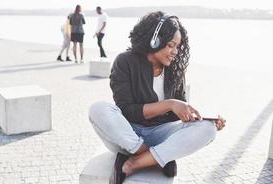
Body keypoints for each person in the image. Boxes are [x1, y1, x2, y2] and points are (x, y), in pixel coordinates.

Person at [88, 11, 226, 184]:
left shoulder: (175, 71)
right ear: (154, 40)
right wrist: (169, 104)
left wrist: (199, 118)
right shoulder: (125, 62)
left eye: (177, 46)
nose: (175, 51)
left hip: (160, 134)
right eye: (170, 45)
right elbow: (127, 111)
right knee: (98, 108)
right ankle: (153, 156)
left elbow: (176, 115)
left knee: (208, 129)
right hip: (127, 134)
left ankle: (138, 162)